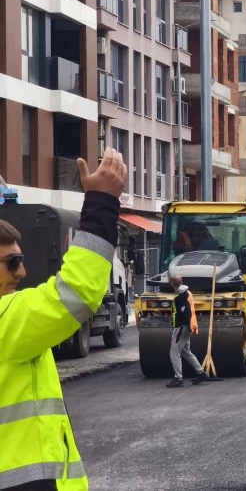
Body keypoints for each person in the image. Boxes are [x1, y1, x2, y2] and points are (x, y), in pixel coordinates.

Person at [0, 147, 126, 490]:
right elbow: (75, 293)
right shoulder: (5, 321)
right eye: (11, 262)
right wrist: (101, 202)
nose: (22, 271)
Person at [166, 275, 208, 388]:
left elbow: (185, 311)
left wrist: (185, 327)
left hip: (181, 327)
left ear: (172, 284)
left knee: (174, 353)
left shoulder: (180, 297)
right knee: (185, 351)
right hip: (188, 326)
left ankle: (178, 379)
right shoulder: (188, 292)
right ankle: (201, 373)